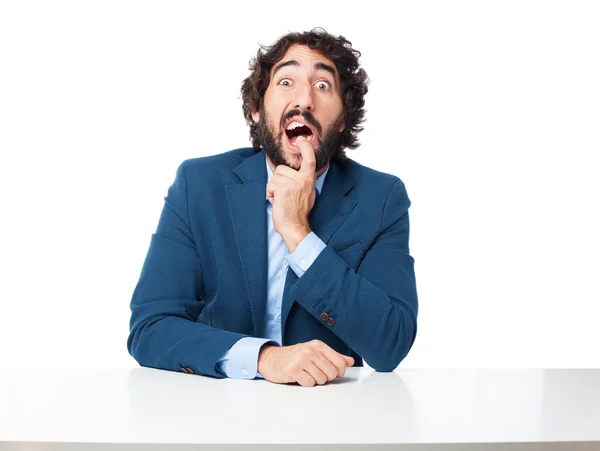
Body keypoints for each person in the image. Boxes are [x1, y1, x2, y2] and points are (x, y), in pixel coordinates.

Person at [127, 28, 418, 387]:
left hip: (330, 417)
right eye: (285, 82)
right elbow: (151, 328)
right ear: (255, 109)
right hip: (213, 416)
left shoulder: (381, 197)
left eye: (323, 85)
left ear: (343, 120)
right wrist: (264, 358)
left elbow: (391, 344)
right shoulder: (198, 185)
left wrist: (299, 233)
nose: (304, 100)